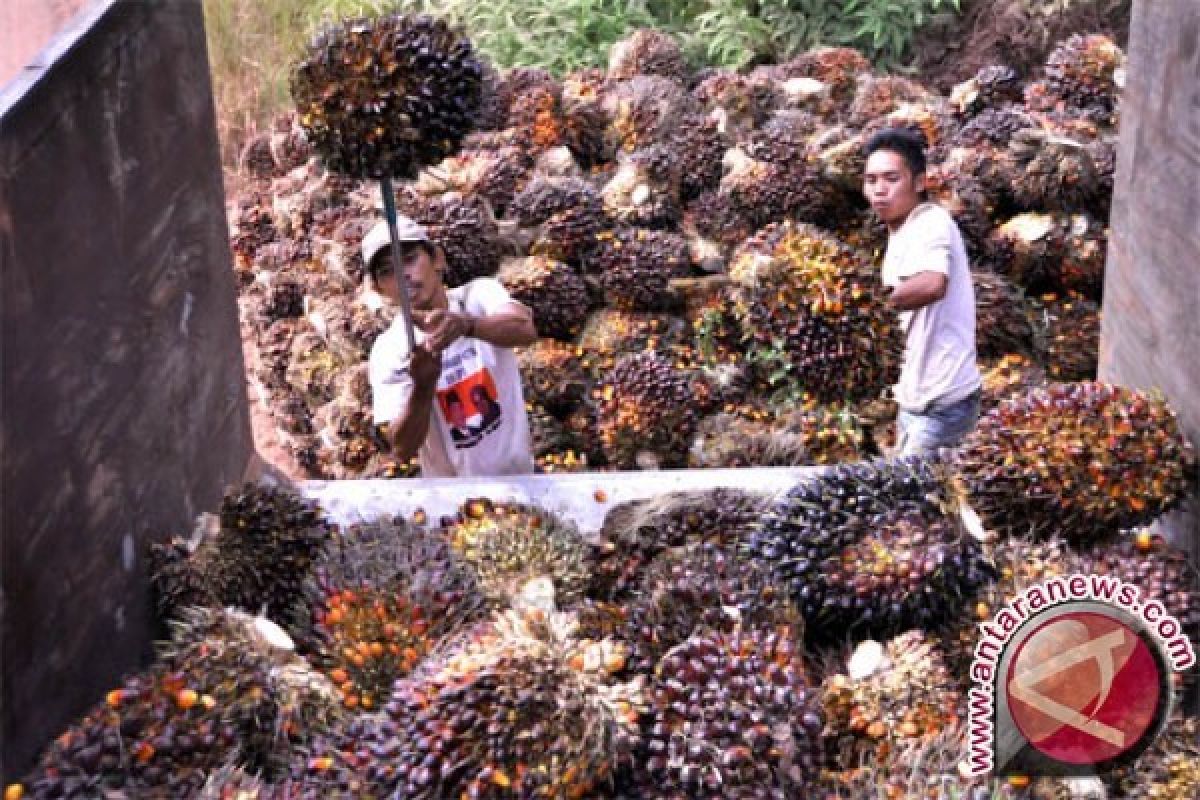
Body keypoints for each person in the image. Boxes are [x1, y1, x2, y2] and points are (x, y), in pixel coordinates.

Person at [363, 216, 538, 476]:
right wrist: (422, 387)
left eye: (409, 259)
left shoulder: (479, 297)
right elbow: (402, 449)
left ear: (437, 260)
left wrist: (468, 326)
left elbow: (525, 329)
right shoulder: (389, 349)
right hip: (454, 501)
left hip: (520, 480)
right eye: (388, 271)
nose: (403, 276)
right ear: (379, 289)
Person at [863, 128, 982, 456]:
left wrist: (870, 307)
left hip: (943, 402)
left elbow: (933, 283)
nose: (880, 190)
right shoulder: (901, 231)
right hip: (915, 398)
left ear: (918, 182)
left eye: (891, 178)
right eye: (871, 180)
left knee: (915, 498)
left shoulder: (931, 223)